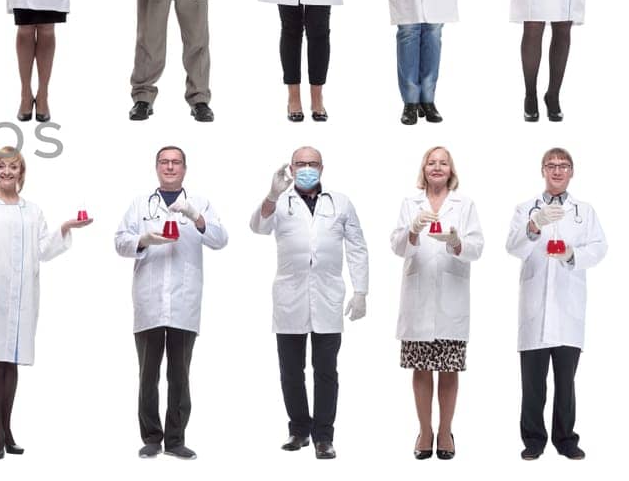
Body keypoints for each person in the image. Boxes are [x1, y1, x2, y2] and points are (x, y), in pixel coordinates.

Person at [0, 146, 91, 459]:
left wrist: (66, 228)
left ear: (21, 173)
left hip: (21, 296)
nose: (6, 172)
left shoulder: (33, 210)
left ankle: (8, 426)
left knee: (11, 359)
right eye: (0, 166)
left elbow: (43, 248)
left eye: (12, 167)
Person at [250, 146, 367, 459]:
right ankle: (299, 430)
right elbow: (258, 227)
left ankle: (324, 437)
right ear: (290, 167)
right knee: (291, 370)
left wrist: (361, 291)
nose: (306, 168)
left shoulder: (340, 202)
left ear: (322, 168)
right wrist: (272, 195)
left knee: (326, 370)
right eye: (300, 163)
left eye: (312, 163)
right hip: (289, 297)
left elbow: (357, 247)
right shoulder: (280, 200)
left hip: (329, 296)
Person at [112, 146, 227, 459]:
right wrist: (143, 240)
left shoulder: (200, 202)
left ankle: (175, 440)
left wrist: (195, 216)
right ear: (156, 167)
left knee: (180, 374)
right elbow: (119, 241)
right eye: (164, 162)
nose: (170, 167)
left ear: (185, 168)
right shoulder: (139, 204)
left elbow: (219, 239)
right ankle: (151, 437)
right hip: (149, 301)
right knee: (147, 374)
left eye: (176, 162)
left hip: (184, 301)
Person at [504, 147, 606, 460]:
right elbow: (512, 246)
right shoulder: (526, 208)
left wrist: (573, 255)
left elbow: (600, 247)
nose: (557, 170)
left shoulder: (584, 211)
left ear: (571, 171)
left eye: (563, 166)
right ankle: (534, 441)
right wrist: (534, 226)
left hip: (568, 309)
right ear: (543, 171)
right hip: (534, 310)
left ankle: (566, 440)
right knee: (532, 385)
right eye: (551, 165)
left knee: (566, 384)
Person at [388, 146, 483, 460]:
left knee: (449, 369)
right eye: (432, 162)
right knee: (421, 368)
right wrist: (412, 232)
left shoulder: (464, 204)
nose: (437, 167)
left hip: (451, 301)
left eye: (443, 162)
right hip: (418, 300)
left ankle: (445, 432)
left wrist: (457, 243)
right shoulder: (409, 203)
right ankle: (424, 431)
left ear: (451, 170)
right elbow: (398, 246)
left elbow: (477, 247)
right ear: (424, 169)